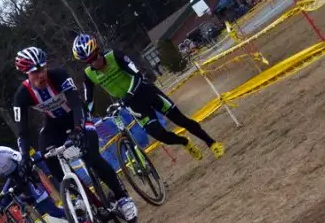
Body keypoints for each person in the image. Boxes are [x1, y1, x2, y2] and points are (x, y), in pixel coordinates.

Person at [12, 46, 137, 222]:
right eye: (35, 71)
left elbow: (76, 103)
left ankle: (123, 198)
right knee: (47, 156)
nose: (42, 74)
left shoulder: (59, 75)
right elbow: (22, 131)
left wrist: (78, 128)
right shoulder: (21, 96)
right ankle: (83, 199)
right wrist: (24, 156)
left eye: (43, 68)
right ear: (26, 73)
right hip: (54, 124)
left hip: (77, 116)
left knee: (92, 157)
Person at [71, 35, 225, 161]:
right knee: (160, 135)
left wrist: (129, 94)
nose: (94, 62)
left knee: (182, 121)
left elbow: (137, 75)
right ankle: (185, 142)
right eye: (89, 61)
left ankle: (211, 143)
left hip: (147, 92)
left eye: (95, 57)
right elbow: (89, 99)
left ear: (98, 50)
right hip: (135, 106)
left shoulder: (115, 55)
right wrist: (87, 118)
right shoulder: (89, 74)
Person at [0, 135, 66, 220]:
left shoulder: (1, 151)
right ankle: (25, 200)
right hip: (11, 178)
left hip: (22, 171)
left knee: (50, 210)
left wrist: (27, 171)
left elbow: (20, 158)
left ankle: (74, 217)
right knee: (1, 205)